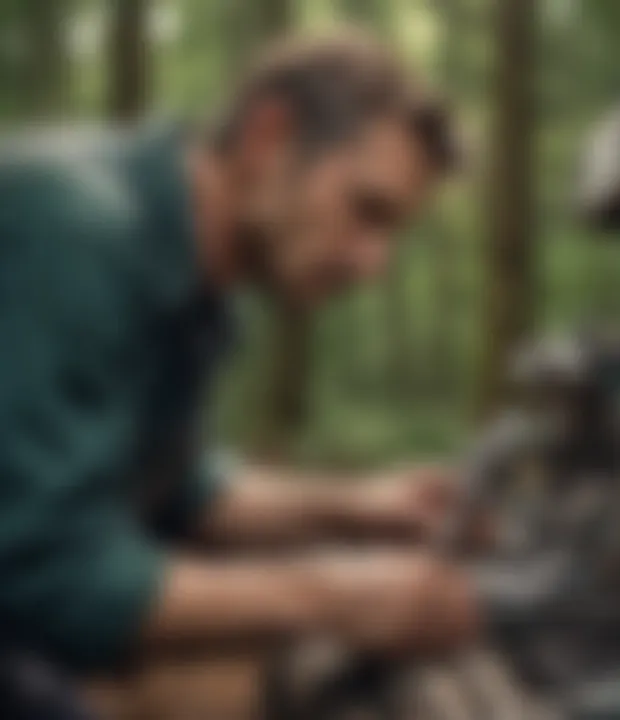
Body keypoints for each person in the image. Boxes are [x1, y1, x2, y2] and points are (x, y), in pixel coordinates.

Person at [0, 29, 478, 717]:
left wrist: (358, 502)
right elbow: (41, 572)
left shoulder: (200, 289)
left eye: (392, 233)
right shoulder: (75, 234)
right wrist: (333, 595)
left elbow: (176, 486)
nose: (373, 266)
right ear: (268, 139)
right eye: (365, 211)